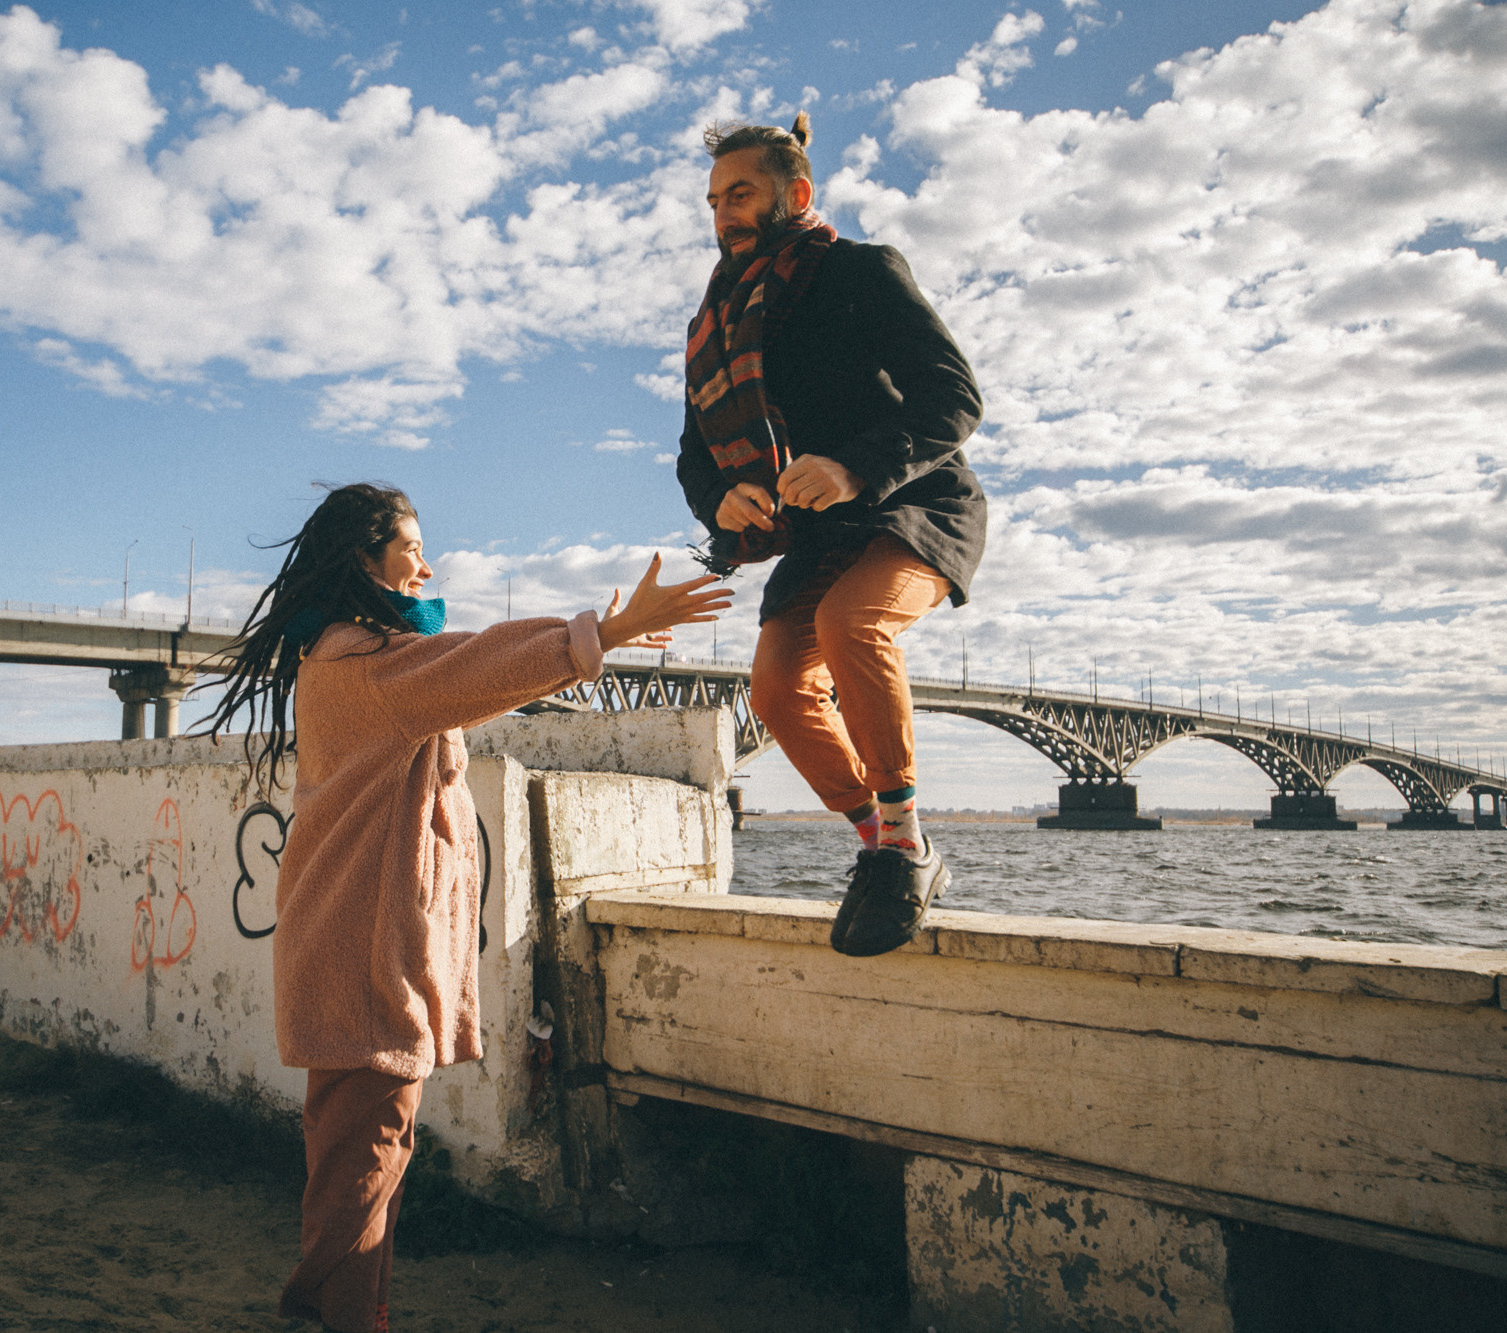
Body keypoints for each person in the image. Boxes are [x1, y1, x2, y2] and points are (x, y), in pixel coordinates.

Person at [196, 483, 729, 1333]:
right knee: (367, 1159)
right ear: (365, 563)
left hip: (342, 942)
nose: (428, 564)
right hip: (367, 955)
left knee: (357, 1154)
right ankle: (328, 1315)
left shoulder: (344, 659)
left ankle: (342, 1312)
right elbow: (481, 665)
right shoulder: (370, 665)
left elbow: (457, 670)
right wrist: (605, 632)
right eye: (412, 549)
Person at [674, 114, 986, 958]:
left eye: (740, 193)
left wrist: (855, 468)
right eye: (712, 200)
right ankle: (888, 850)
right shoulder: (717, 320)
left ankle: (903, 841)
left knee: (854, 622)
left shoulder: (861, 272)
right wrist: (723, 501)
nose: (723, 214)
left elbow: (955, 398)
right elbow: (694, 453)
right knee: (776, 690)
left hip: (913, 506)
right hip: (820, 532)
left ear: (796, 193)